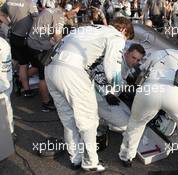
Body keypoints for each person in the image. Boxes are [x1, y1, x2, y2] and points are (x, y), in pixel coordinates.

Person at [44, 17, 134, 172]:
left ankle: (75, 159)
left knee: (68, 119)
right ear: (124, 30)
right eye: (127, 37)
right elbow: (112, 68)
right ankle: (91, 162)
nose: (125, 41)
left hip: (51, 68)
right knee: (89, 120)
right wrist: (118, 89)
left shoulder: (88, 28)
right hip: (72, 71)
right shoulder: (116, 36)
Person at [118, 49, 178, 175]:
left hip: (149, 90)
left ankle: (125, 157)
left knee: (136, 123)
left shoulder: (154, 54)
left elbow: (140, 73)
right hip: (177, 93)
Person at [94, 43, 145, 132]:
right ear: (126, 53)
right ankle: (98, 119)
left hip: (112, 96)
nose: (135, 62)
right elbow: (96, 74)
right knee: (126, 126)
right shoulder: (116, 63)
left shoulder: (127, 65)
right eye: (133, 58)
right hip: (98, 98)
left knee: (130, 116)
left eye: (138, 60)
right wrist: (107, 94)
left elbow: (119, 81)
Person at [26, 1, 66, 112]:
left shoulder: (48, 10)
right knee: (43, 75)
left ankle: (20, 80)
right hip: (39, 46)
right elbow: (57, 35)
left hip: (32, 43)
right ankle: (46, 103)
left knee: (36, 66)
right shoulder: (59, 15)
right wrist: (63, 49)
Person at [0, 0, 39, 97]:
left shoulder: (8, 2)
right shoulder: (29, 2)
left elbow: (0, 14)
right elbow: (37, 20)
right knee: (37, 65)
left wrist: (9, 24)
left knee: (22, 63)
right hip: (27, 37)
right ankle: (21, 83)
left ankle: (25, 88)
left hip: (14, 36)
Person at [0, 37, 15, 140]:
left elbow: (4, 75)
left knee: (5, 110)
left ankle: (9, 135)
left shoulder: (2, 45)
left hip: (2, 86)